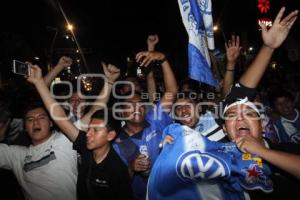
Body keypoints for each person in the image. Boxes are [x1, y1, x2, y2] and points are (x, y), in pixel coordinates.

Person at [27, 63, 133, 200]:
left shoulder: (117, 170)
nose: (88, 133)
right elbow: (60, 119)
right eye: (88, 129)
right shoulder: (85, 145)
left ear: (111, 135)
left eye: (95, 130)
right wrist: (39, 82)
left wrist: (109, 82)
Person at [113, 50, 177, 200]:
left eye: (140, 103)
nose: (137, 107)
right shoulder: (117, 145)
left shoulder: (155, 118)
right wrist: (131, 168)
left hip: (172, 192)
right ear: (121, 113)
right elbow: (116, 184)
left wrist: (163, 59)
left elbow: (172, 92)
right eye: (130, 105)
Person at [0, 102, 78, 200]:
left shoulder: (65, 140)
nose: (35, 122)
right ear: (25, 128)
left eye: (41, 118)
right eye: (30, 120)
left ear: (50, 123)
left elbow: (94, 111)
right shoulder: (17, 155)